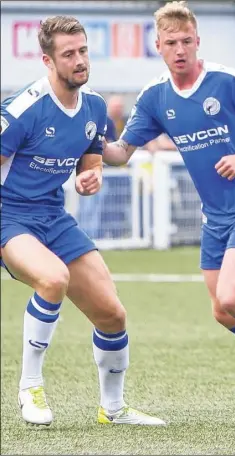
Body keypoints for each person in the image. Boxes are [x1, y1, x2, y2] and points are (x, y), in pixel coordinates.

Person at [102, 1, 235, 412]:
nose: (180, 49)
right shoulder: (155, 97)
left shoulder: (226, 81)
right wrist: (91, 138)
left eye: (187, 41)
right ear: (159, 46)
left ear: (198, 41)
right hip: (214, 214)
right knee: (223, 311)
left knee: (233, 297)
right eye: (171, 42)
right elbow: (120, 153)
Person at [0, 16, 165, 426]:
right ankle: (29, 387)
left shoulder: (93, 104)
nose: (79, 60)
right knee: (53, 279)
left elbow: (90, 158)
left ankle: (113, 409)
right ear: (47, 60)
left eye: (84, 51)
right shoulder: (21, 110)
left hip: (54, 218)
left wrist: (92, 176)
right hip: (10, 217)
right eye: (69, 54)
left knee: (112, 314)